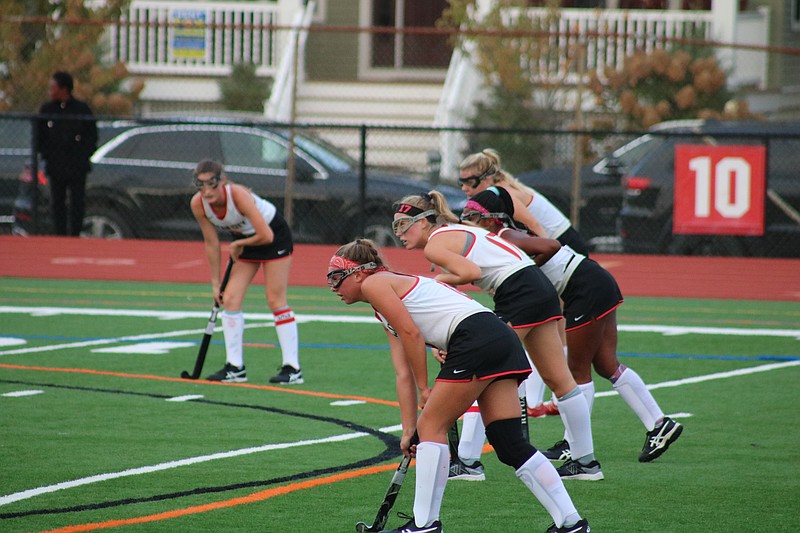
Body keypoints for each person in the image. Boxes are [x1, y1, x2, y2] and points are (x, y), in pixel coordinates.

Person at [327, 239, 590, 533]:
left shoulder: (375, 285)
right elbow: (402, 373)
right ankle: (572, 523)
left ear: (360, 273)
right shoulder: (383, 302)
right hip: (498, 337)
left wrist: (425, 390)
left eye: (337, 277)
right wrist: (407, 427)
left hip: (475, 337)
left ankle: (425, 525)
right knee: (508, 443)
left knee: (431, 429)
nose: (333, 286)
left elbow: (412, 335)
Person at [462, 186, 683, 463]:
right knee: (605, 364)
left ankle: (574, 447)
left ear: (491, 218)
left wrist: (533, 268)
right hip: (593, 281)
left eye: (471, 216)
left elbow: (551, 245)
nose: (465, 222)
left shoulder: (505, 235)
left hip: (584, 288)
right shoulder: (497, 239)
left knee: (577, 371)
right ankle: (659, 424)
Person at [393, 192, 601, 482]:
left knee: (483, 367)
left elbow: (470, 271)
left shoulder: (435, 245)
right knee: (560, 380)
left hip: (518, 293)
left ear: (424, 221)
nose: (399, 233)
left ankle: (467, 461)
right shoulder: (457, 230)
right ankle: (586, 462)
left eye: (403, 224)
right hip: (537, 286)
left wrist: (436, 281)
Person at [459, 149, 589, 418]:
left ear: (485, 178)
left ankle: (542, 398)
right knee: (545, 325)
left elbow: (536, 228)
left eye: (469, 181)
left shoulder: (502, 193)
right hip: (544, 249)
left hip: (559, 247)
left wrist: (533, 269)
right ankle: (538, 399)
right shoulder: (492, 194)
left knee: (552, 324)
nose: (463, 188)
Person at [190, 160, 302, 384]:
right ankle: (235, 367)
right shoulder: (198, 204)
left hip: (273, 235)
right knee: (229, 299)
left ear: (222, 180)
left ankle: (292, 368)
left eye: (211, 183)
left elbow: (266, 235)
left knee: (275, 299)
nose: (206, 191)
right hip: (245, 241)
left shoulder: (238, 195)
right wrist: (215, 283)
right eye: (200, 185)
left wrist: (237, 245)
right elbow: (211, 244)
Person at [37, 71, 98, 236]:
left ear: (64, 89)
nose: (50, 90)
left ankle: (75, 233)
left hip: (77, 165)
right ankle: (59, 234)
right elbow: (40, 136)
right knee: (57, 201)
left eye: (53, 87)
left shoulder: (81, 109)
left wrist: (84, 154)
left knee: (77, 201)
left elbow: (91, 136)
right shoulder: (47, 109)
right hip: (56, 165)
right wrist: (47, 154)